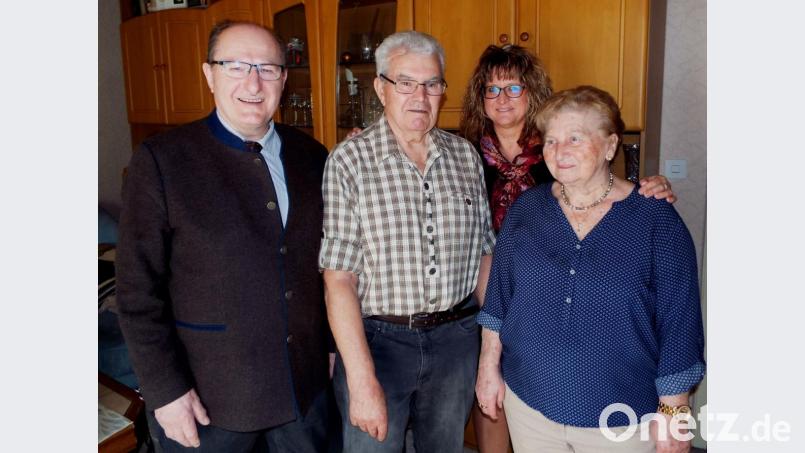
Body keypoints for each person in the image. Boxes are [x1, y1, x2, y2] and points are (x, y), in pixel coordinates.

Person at [116, 20, 332, 452]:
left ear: (284, 80)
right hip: (209, 403)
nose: (253, 82)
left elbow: (323, 267)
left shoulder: (313, 156)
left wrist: (327, 346)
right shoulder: (162, 161)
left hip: (303, 395)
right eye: (235, 66)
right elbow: (138, 293)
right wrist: (166, 392)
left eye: (267, 68)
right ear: (209, 74)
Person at [459, 45, 676, 453]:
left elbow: (613, 190)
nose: (502, 98)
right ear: (480, 99)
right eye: (491, 89)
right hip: (484, 299)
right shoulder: (463, 153)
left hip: (559, 301)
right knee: (491, 396)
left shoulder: (555, 152)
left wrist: (655, 184)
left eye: (513, 87)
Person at [319, 31, 495, 453]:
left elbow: (485, 254)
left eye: (432, 83)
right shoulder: (349, 160)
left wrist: (493, 347)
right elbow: (338, 280)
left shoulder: (465, 156)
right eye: (406, 82)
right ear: (381, 88)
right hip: (380, 343)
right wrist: (361, 381)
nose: (420, 95)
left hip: (457, 340)